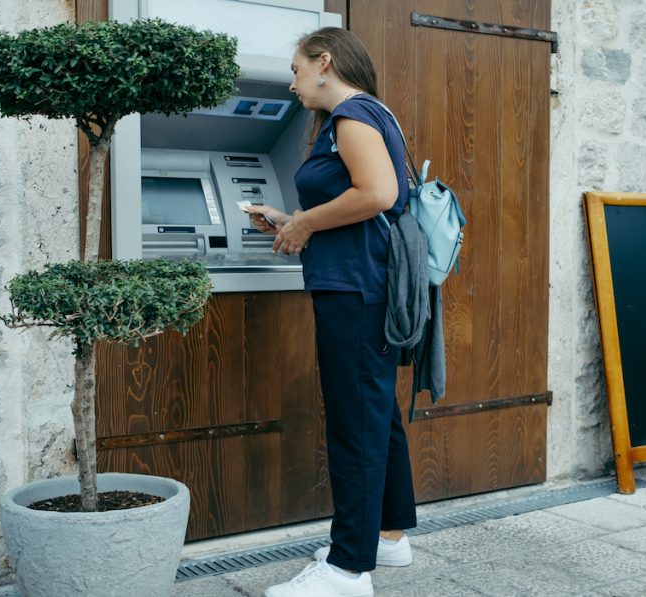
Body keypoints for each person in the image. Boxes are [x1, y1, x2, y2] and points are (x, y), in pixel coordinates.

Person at [246, 27, 418, 597]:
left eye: (296, 69)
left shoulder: (352, 117)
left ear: (325, 63)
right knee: (376, 415)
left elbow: (378, 194)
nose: (292, 82)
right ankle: (387, 538)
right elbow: (358, 202)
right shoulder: (363, 116)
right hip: (362, 286)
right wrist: (287, 216)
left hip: (357, 291)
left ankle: (347, 569)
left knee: (356, 423)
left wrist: (304, 222)